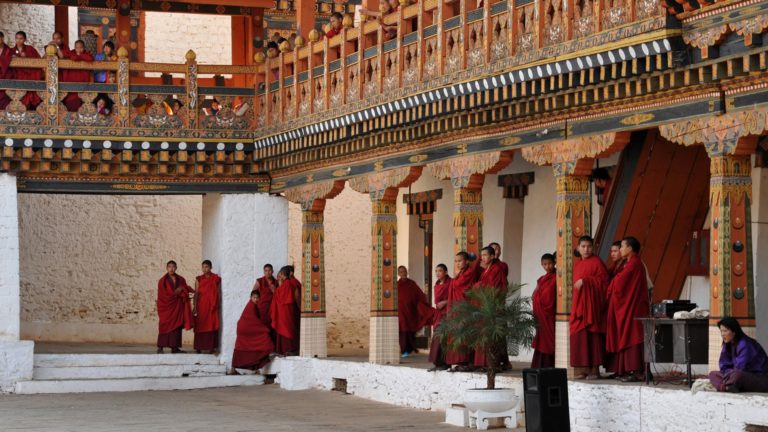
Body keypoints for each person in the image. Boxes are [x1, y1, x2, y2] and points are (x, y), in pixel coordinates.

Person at [605, 237, 650, 382]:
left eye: (622, 247)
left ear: (630, 248)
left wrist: (611, 284)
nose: (621, 249)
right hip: (630, 306)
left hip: (634, 308)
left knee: (633, 336)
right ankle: (627, 370)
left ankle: (637, 371)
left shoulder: (634, 263)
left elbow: (619, 283)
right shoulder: (629, 263)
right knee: (628, 335)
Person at [570, 235, 609, 379]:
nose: (586, 249)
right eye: (583, 246)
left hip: (592, 307)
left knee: (592, 337)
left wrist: (586, 281)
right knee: (580, 338)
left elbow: (604, 282)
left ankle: (594, 370)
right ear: (578, 248)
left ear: (593, 248)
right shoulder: (578, 264)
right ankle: (584, 369)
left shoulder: (597, 262)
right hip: (579, 305)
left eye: (589, 246)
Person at [473, 246, 510, 369]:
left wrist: (478, 286)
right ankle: (485, 363)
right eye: (481, 255)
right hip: (485, 306)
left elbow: (494, 287)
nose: (482, 257)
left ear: (493, 256)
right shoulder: (486, 270)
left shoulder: (497, 269)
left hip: (493, 306)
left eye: (485, 255)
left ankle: (494, 363)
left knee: (494, 336)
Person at [709, 317, 768, 393]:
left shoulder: (745, 344)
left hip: (759, 378)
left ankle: (727, 386)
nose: (722, 334)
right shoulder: (727, 344)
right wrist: (728, 373)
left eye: (725, 331)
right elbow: (723, 365)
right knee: (713, 374)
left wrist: (729, 374)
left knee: (737, 375)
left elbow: (740, 368)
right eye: (721, 331)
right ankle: (727, 387)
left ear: (734, 331)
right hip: (734, 375)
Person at [445, 251, 482, 370]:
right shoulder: (459, 273)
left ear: (466, 261)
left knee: (463, 332)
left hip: (464, 307)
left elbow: (461, 287)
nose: (457, 263)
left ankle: (465, 360)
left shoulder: (469, 273)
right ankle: (457, 360)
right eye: (456, 261)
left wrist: (455, 279)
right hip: (455, 307)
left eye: (460, 261)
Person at [231, 290, 275, 374]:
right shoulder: (251, 306)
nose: (256, 299)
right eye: (254, 297)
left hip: (245, 328)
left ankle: (254, 367)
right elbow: (252, 320)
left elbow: (255, 320)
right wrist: (264, 329)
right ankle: (233, 369)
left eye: (257, 298)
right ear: (250, 297)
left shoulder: (254, 305)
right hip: (245, 329)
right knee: (265, 337)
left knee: (241, 347)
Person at [156, 260, 194, 354]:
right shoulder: (162, 281)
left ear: (176, 268)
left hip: (177, 306)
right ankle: (160, 347)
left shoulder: (181, 279)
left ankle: (175, 348)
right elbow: (162, 295)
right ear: (167, 268)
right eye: (169, 267)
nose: (171, 269)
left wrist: (182, 289)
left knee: (177, 327)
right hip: (167, 307)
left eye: (173, 267)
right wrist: (173, 294)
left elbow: (185, 288)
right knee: (164, 324)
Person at [396, 266, 433, 358]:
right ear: (398, 274)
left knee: (410, 330)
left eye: (404, 271)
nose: (402, 273)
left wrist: (421, 304)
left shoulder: (412, 284)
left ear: (407, 272)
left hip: (410, 311)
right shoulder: (396, 285)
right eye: (400, 272)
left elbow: (420, 295)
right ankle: (404, 349)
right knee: (402, 330)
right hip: (400, 311)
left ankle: (410, 348)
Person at [531, 253, 557, 368]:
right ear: (542, 265)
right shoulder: (541, 279)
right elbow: (534, 294)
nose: (548, 267)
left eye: (550, 263)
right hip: (540, 314)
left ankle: (551, 363)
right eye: (545, 264)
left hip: (549, 313)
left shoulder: (557, 277)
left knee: (549, 339)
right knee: (541, 338)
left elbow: (550, 296)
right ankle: (540, 364)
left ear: (554, 263)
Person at [270, 266, 300, 355]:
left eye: (280, 275)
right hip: (290, 311)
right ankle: (292, 349)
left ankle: (284, 349)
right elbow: (297, 296)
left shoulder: (287, 285)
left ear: (283, 274)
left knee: (284, 329)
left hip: (282, 312)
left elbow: (277, 296)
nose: (279, 277)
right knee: (291, 328)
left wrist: (275, 290)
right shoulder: (292, 283)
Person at [194, 260, 221, 355]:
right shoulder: (199, 279)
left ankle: (211, 347)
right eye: (203, 267)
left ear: (210, 267)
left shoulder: (216, 278)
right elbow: (196, 293)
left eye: (206, 267)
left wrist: (217, 303)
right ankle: (199, 347)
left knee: (211, 324)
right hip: (201, 305)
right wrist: (194, 306)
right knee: (201, 324)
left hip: (212, 306)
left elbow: (218, 292)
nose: (204, 269)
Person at [11, 31, 42, 110]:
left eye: (21, 38)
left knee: (31, 100)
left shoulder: (30, 49)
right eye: (17, 38)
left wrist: (26, 58)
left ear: (25, 39)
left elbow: (39, 61)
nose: (18, 40)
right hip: (17, 77)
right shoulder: (11, 51)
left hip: (30, 77)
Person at [428, 264, 451, 370]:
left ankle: (446, 363)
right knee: (437, 338)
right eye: (436, 271)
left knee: (445, 337)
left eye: (440, 271)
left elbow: (456, 297)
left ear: (446, 272)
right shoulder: (436, 284)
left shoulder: (451, 283)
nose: (437, 273)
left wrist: (445, 302)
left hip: (447, 313)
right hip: (438, 314)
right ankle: (437, 363)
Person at [60, 40, 94, 112]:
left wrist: (79, 56)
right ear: (74, 48)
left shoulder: (86, 54)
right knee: (71, 104)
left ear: (84, 48)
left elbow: (90, 59)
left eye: (81, 47)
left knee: (83, 106)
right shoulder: (71, 53)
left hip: (83, 85)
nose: (79, 49)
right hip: (71, 85)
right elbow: (64, 56)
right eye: (77, 48)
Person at [253, 264, 278, 332]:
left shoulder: (276, 282)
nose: (268, 272)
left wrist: (274, 291)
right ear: (264, 272)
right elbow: (253, 293)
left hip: (272, 309)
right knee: (262, 327)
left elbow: (279, 296)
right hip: (262, 308)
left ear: (272, 271)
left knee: (271, 328)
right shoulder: (260, 281)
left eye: (269, 270)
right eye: (266, 271)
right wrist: (255, 304)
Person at [0, 32, 13, 110]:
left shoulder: (8, 50)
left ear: (2, 38)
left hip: (5, 74)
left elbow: (11, 57)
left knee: (5, 96)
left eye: (0, 38)